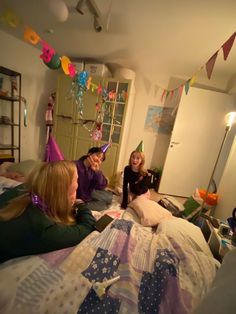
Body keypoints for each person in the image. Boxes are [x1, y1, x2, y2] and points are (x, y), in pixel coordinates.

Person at [0, 160, 96, 263]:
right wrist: (80, 203)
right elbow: (88, 226)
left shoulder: (25, 189)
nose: (76, 194)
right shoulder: (45, 230)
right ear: (62, 196)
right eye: (75, 188)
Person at [74, 146, 113, 211]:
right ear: (89, 154)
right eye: (97, 156)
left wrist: (97, 172)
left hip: (89, 193)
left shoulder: (94, 169)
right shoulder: (75, 165)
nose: (98, 160)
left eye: (101, 159)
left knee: (109, 197)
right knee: (103, 206)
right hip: (79, 196)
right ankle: (80, 207)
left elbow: (101, 186)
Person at [121, 141, 151, 209]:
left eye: (138, 158)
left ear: (141, 160)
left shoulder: (144, 173)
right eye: (133, 157)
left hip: (142, 192)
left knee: (137, 205)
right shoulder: (127, 169)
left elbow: (139, 192)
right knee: (125, 200)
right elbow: (125, 185)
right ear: (130, 158)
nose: (134, 160)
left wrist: (136, 182)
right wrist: (124, 201)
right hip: (132, 190)